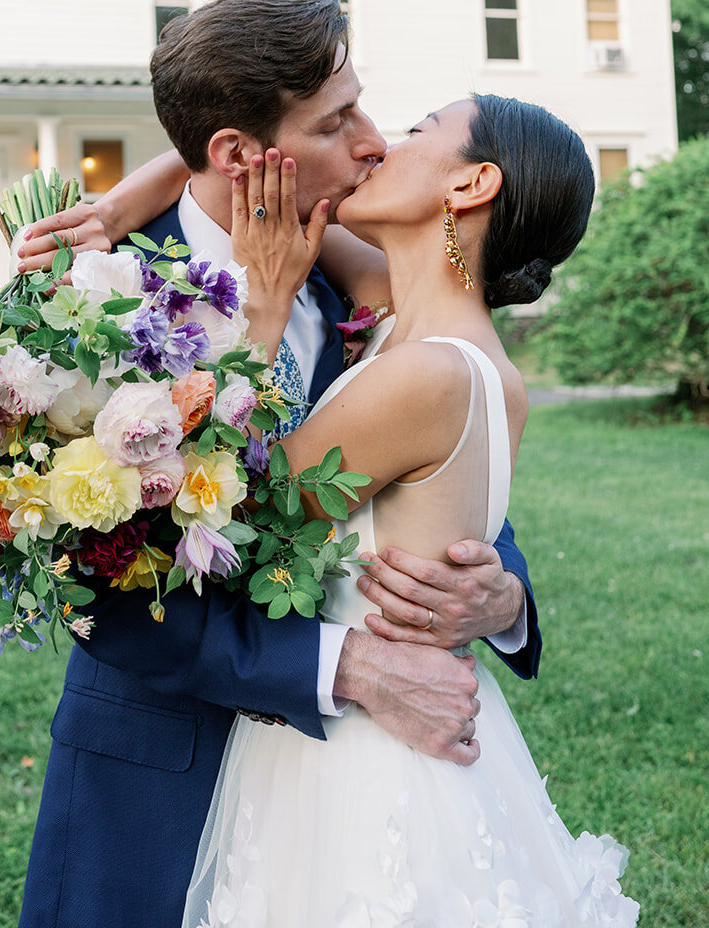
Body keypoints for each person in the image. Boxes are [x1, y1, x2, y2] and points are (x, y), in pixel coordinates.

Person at [16, 0, 540, 928]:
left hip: (349, 806)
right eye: (338, 121)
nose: (374, 142)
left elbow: (435, 459)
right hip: (157, 779)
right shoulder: (87, 301)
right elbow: (98, 583)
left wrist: (501, 592)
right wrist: (347, 665)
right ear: (236, 155)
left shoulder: (367, 272)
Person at [180, 97, 638, 925]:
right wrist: (119, 199)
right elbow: (252, 184)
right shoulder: (429, 335)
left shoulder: (423, 375)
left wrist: (264, 316)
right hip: (410, 723)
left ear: (470, 182)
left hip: (367, 754)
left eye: (422, 128)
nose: (385, 142)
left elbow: (237, 528)